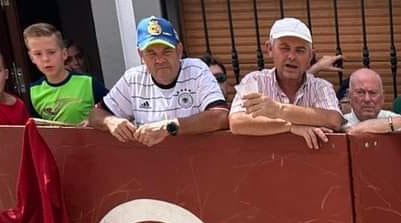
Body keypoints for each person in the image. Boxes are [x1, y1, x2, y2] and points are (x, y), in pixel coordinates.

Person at [89, 16, 228, 145]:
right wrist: (110, 121)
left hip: (197, 163)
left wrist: (169, 127)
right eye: (151, 53)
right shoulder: (132, 78)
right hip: (152, 165)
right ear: (140, 55)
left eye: (166, 51)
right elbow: (95, 115)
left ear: (179, 50)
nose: (160, 60)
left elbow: (220, 116)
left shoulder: (196, 70)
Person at [229, 18, 343, 150]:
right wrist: (290, 127)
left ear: (310, 56)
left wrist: (278, 110)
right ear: (270, 49)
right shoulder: (254, 81)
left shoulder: (321, 86)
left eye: (300, 50)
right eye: (284, 48)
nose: (291, 56)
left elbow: (334, 120)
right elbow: (237, 122)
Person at [24, 23, 106, 124]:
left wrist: (95, 120)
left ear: (64, 54)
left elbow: (114, 109)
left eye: (51, 52)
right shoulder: (33, 91)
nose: (45, 59)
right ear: (31, 57)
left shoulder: (88, 82)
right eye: (38, 54)